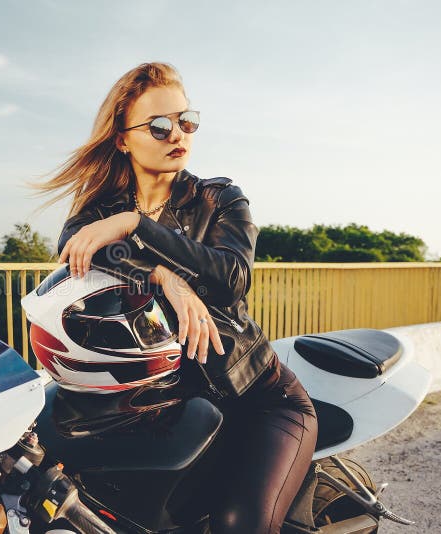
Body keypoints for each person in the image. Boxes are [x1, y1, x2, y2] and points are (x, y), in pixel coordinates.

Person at [31, 62, 318, 533]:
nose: (177, 135)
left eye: (186, 121)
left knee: (239, 524)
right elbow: (81, 254)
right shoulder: (99, 211)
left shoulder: (219, 197)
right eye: (159, 126)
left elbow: (230, 276)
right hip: (169, 403)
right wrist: (166, 278)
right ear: (122, 139)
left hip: (257, 399)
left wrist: (136, 226)